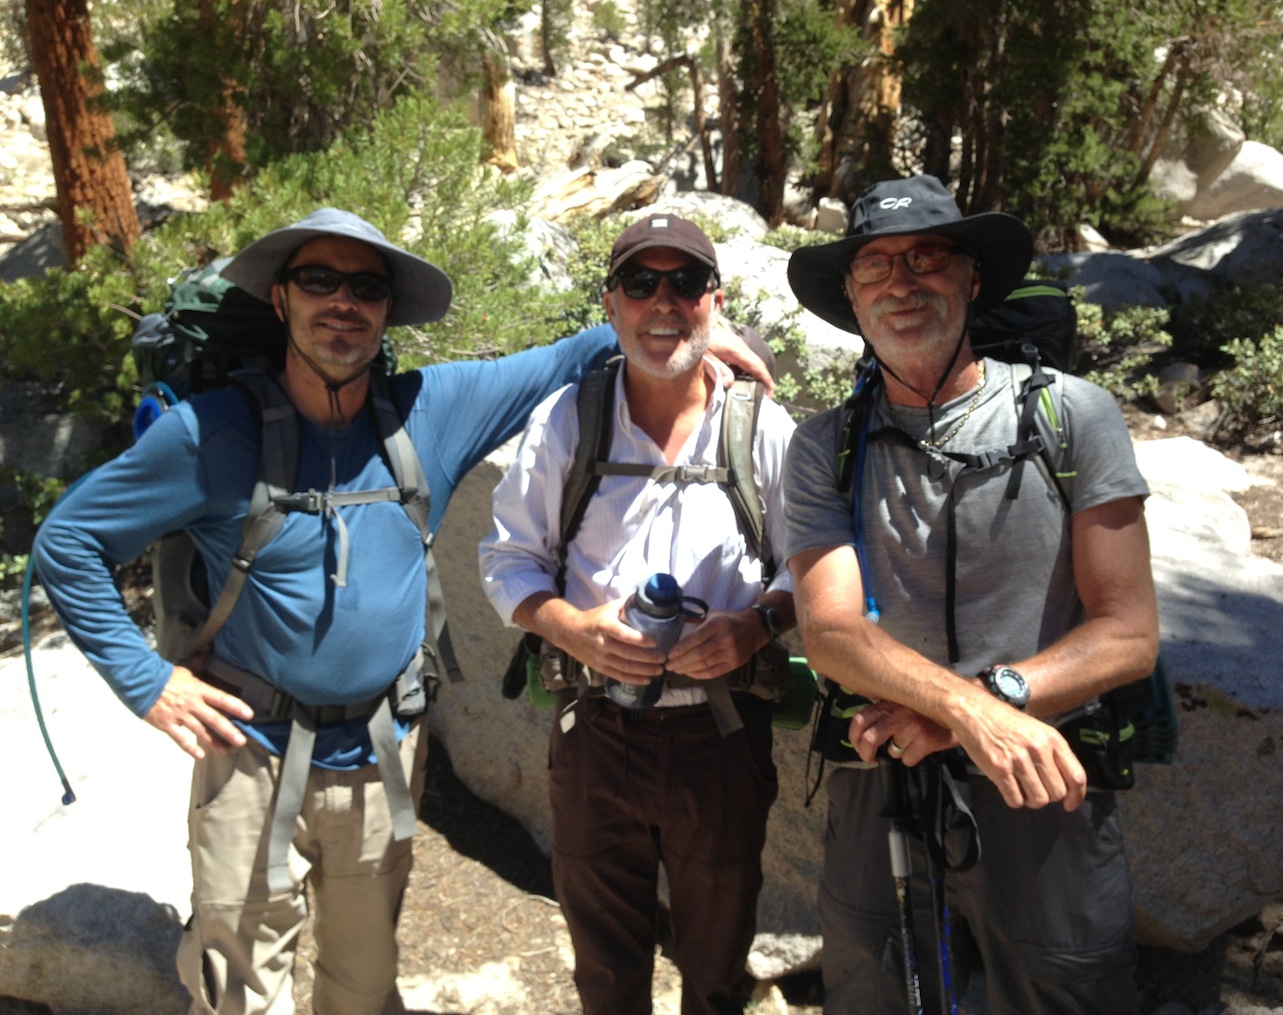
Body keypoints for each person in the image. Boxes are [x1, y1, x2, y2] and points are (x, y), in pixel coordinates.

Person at [33, 208, 771, 1015]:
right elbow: (68, 543)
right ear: (280, 299)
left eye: (367, 286)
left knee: (362, 986)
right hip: (250, 751)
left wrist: (691, 337)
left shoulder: (431, 411)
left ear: (388, 309)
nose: (343, 302)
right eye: (319, 280)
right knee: (242, 993)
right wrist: (146, 680)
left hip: (381, 751)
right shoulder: (209, 436)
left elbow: (573, 352)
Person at [781, 176, 1160, 1014]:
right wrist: (971, 714)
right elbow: (831, 629)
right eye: (874, 266)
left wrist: (976, 708)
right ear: (850, 295)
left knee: (1062, 992)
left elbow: (1129, 630)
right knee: (872, 989)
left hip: (1041, 779)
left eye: (926, 258)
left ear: (972, 278)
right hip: (881, 777)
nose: (901, 283)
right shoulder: (823, 448)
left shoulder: (1074, 418)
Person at [478, 214, 797, 1015]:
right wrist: (572, 629)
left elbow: (810, 567)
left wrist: (756, 624)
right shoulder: (566, 421)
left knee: (717, 964)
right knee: (606, 967)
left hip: (720, 737)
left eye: (686, 283)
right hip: (596, 733)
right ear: (612, 304)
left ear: (714, 304)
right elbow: (506, 557)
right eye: (642, 283)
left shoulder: (759, 426)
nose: (664, 303)